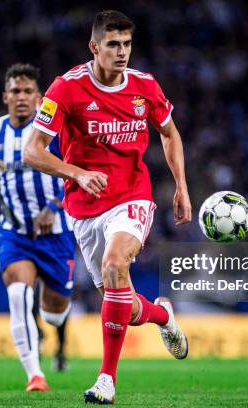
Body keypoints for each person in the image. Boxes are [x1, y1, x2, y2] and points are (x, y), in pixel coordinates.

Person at [24, 10, 192, 404]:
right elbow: (33, 151)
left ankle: (106, 380)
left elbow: (169, 135)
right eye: (113, 44)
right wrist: (77, 174)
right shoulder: (66, 89)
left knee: (115, 265)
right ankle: (162, 315)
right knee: (124, 304)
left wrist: (181, 186)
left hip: (132, 196)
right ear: (94, 47)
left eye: (127, 44)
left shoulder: (145, 87)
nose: (122, 52)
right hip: (84, 207)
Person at [0, 63, 75, 392]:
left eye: (28, 91)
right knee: (16, 295)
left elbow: (75, 173)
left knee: (55, 312)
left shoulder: (55, 131)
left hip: (56, 233)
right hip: (14, 233)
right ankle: (34, 375)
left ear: (39, 97)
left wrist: (54, 207)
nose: (22, 97)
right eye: (16, 91)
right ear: (5, 96)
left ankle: (51, 326)